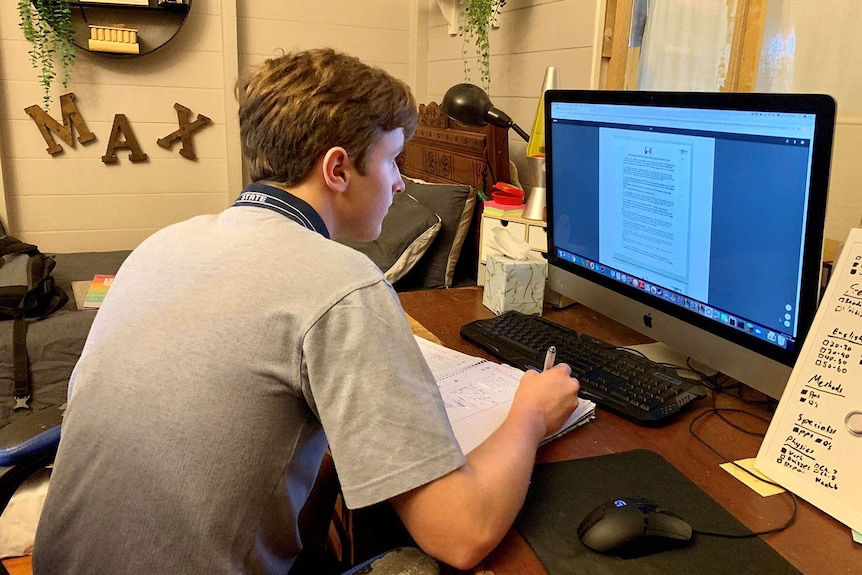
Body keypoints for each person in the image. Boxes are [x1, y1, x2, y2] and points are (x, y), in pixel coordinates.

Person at [32, 48, 580, 574]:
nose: (398, 183)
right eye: (392, 160)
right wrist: (531, 413)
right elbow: (461, 533)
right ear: (338, 169)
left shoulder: (163, 243)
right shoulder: (342, 286)